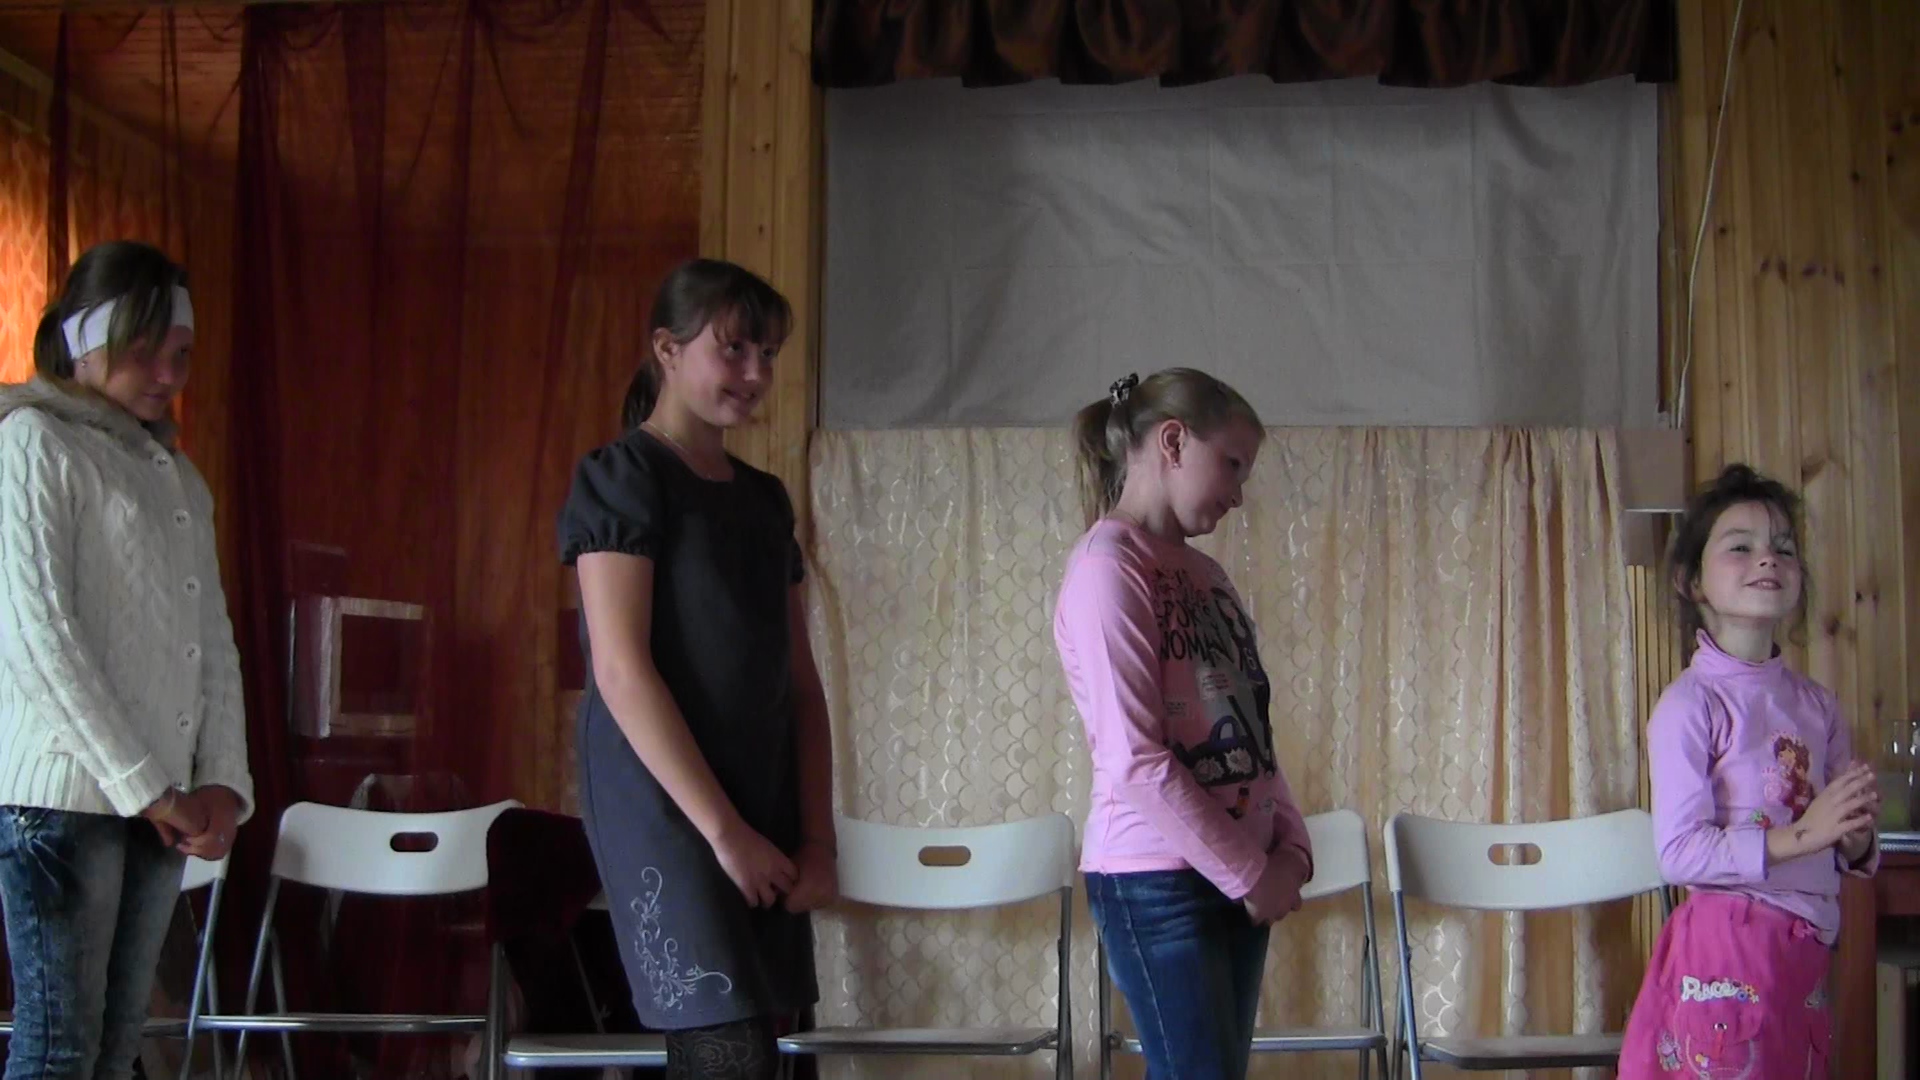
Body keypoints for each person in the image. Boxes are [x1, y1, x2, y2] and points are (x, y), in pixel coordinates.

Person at [557, 258, 836, 1079]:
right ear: (667, 349)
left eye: (768, 354)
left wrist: (817, 839)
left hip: (763, 796)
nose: (756, 373)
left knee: (773, 1052)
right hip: (668, 803)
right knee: (727, 1053)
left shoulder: (764, 499)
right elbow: (621, 671)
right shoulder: (623, 477)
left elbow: (802, 687)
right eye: (734, 348)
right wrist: (724, 833)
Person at [0, 239, 253, 1080]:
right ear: (84, 341)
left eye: (181, 355)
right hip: (64, 803)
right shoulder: (33, 442)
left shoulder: (176, 477)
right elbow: (41, 640)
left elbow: (210, 640)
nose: (166, 375)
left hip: (159, 810)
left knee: (115, 1053)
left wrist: (221, 782)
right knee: (59, 1049)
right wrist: (152, 789)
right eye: (144, 350)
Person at [1053, 368, 1314, 1080]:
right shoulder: (1107, 568)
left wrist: (1290, 843)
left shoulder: (1208, 577)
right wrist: (1251, 873)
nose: (1238, 493)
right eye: (1232, 464)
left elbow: (1249, 731)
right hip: (1159, 881)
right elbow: (1135, 760)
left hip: (1235, 874)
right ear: (1173, 442)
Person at [1619, 464, 1878, 1078]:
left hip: (1806, 954)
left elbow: (1847, 846)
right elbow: (1679, 853)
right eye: (1741, 547)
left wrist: (1853, 836)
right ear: (1692, 582)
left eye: (1783, 548)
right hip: (1727, 949)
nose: (1768, 558)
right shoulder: (1690, 703)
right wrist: (1806, 833)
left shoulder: (1819, 706)